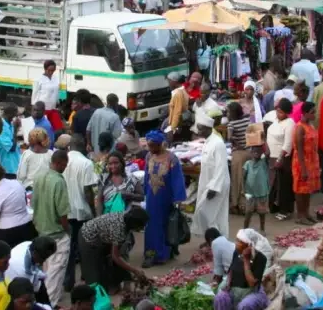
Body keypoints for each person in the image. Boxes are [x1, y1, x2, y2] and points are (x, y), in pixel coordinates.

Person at [142, 130, 187, 266]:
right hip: (151, 198)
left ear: (160, 145)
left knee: (165, 224)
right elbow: (146, 176)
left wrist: (178, 199)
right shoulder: (149, 157)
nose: (150, 149)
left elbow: (177, 179)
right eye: (149, 146)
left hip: (165, 198)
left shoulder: (171, 159)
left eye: (153, 146)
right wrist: (144, 192)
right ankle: (150, 253)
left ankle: (163, 253)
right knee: (150, 225)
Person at [79, 206, 150, 292]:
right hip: (87, 237)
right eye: (141, 226)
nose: (142, 229)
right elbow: (115, 256)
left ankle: (110, 287)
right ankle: (93, 300)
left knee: (104, 266)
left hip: (101, 238)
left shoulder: (126, 217)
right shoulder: (119, 229)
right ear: (134, 223)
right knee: (93, 275)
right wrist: (134, 270)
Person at [62, 132, 98, 291]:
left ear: (69, 146)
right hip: (82, 212)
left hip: (65, 212)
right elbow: (88, 190)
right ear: (83, 147)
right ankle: (86, 279)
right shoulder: (86, 163)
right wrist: (93, 210)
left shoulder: (60, 161)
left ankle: (68, 282)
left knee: (68, 249)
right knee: (85, 248)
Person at [33, 152, 71, 305]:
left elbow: (33, 203)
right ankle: (50, 304)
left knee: (46, 269)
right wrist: (67, 230)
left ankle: (46, 300)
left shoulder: (39, 177)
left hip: (41, 231)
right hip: (57, 233)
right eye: (65, 164)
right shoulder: (58, 181)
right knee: (56, 272)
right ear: (60, 163)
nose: (65, 167)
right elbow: (62, 213)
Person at [212, 229, 272, 310]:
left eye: (240, 241)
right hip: (234, 290)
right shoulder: (236, 252)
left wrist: (246, 261)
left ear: (249, 245)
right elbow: (231, 270)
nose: (236, 243)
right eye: (237, 240)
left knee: (245, 305)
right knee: (220, 298)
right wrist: (227, 284)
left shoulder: (261, 258)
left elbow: (252, 283)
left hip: (251, 292)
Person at [192, 112, 231, 237]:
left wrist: (214, 187)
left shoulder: (217, 143)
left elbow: (221, 167)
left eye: (200, 129)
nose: (198, 131)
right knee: (212, 214)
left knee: (206, 212)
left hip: (217, 185)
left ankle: (215, 239)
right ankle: (213, 239)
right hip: (209, 183)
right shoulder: (208, 142)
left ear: (208, 128)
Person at [291, 102, 322, 225]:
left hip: (312, 161)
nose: (315, 114)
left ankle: (306, 213)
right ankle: (300, 215)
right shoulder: (300, 128)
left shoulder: (311, 125)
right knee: (300, 190)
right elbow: (299, 150)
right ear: (305, 113)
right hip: (301, 162)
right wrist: (303, 169)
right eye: (312, 112)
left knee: (308, 189)